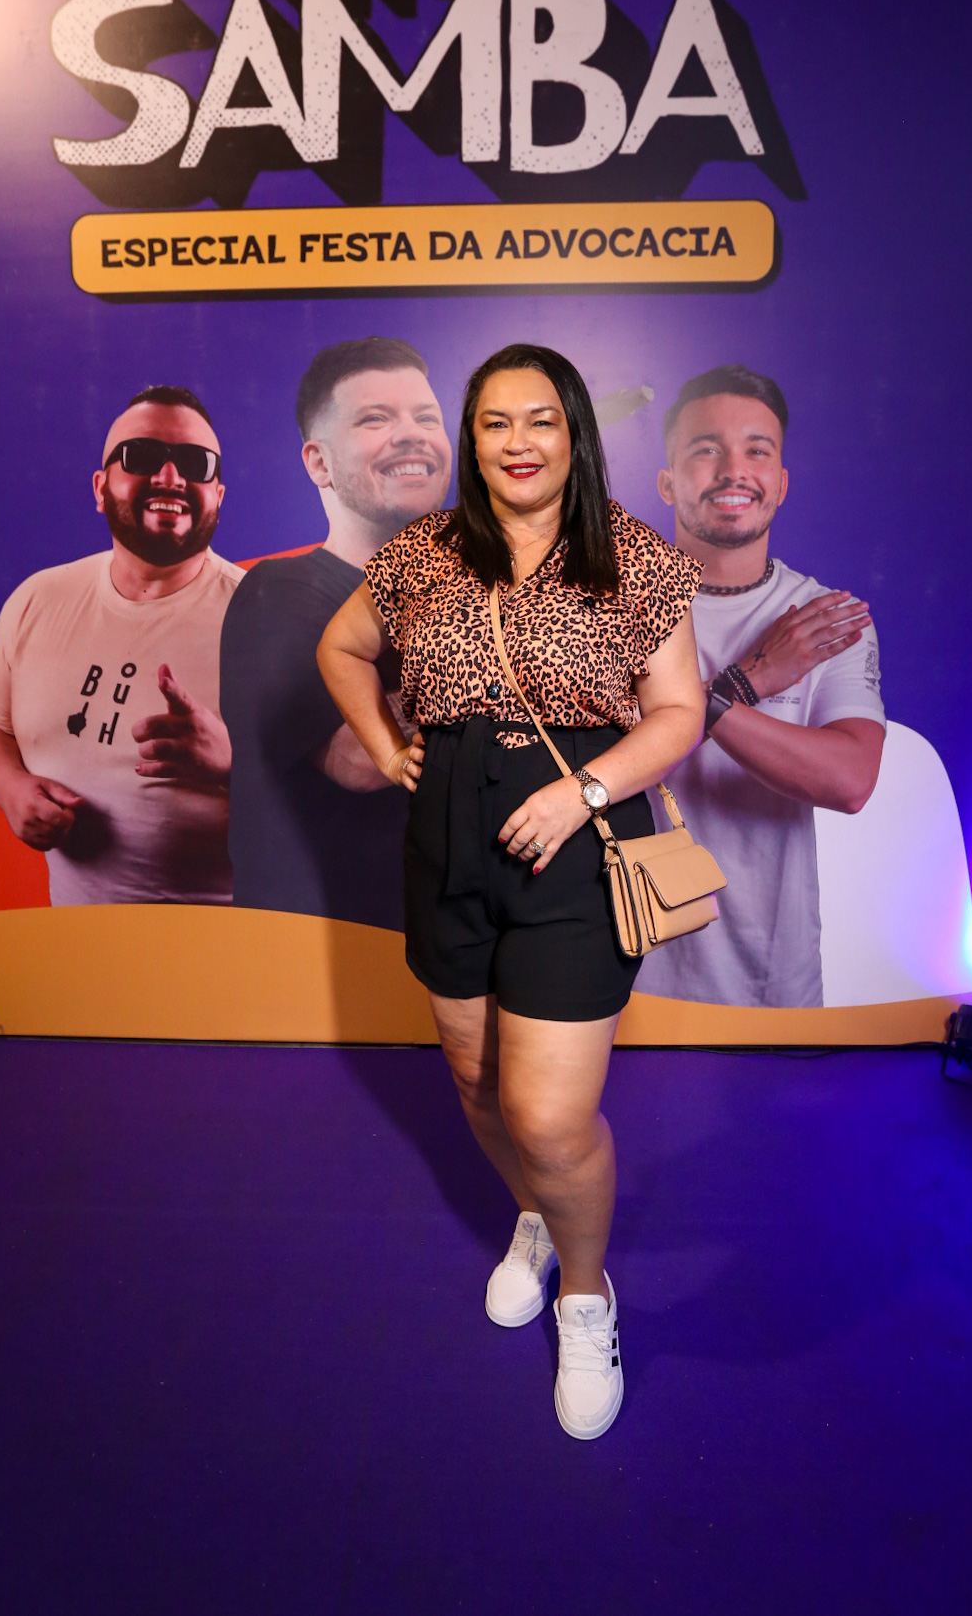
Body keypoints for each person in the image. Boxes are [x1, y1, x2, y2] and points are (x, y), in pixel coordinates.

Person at [317, 344, 704, 1440]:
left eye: (541, 420)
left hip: (576, 840)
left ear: (575, 432)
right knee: (476, 1077)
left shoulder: (633, 554)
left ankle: (585, 1293)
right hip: (446, 838)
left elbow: (680, 713)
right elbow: (342, 648)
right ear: (472, 440)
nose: (519, 443)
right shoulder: (422, 550)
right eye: (495, 423)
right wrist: (383, 743)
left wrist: (582, 792)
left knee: (549, 1113)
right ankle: (534, 1214)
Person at [640, 363, 885, 1009]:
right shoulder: (610, 606)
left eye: (757, 450)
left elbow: (850, 781)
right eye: (706, 450)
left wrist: (715, 702)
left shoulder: (826, 619)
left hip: (772, 985)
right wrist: (747, 682)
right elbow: (595, 771)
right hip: (624, 979)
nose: (733, 470)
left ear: (780, 483)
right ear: (667, 481)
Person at [0, 385, 243, 905]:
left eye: (195, 463)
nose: (170, 476)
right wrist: (10, 787)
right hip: (78, 943)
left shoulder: (266, 618)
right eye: (142, 456)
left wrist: (235, 762)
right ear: (100, 487)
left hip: (233, 944)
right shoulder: (38, 598)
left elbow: (345, 792)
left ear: (218, 497)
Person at [220, 337, 451, 930]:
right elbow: (362, 760)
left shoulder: (466, 593)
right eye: (376, 419)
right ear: (319, 463)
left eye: (427, 417)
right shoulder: (278, 594)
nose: (411, 434)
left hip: (448, 953)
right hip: (324, 964)